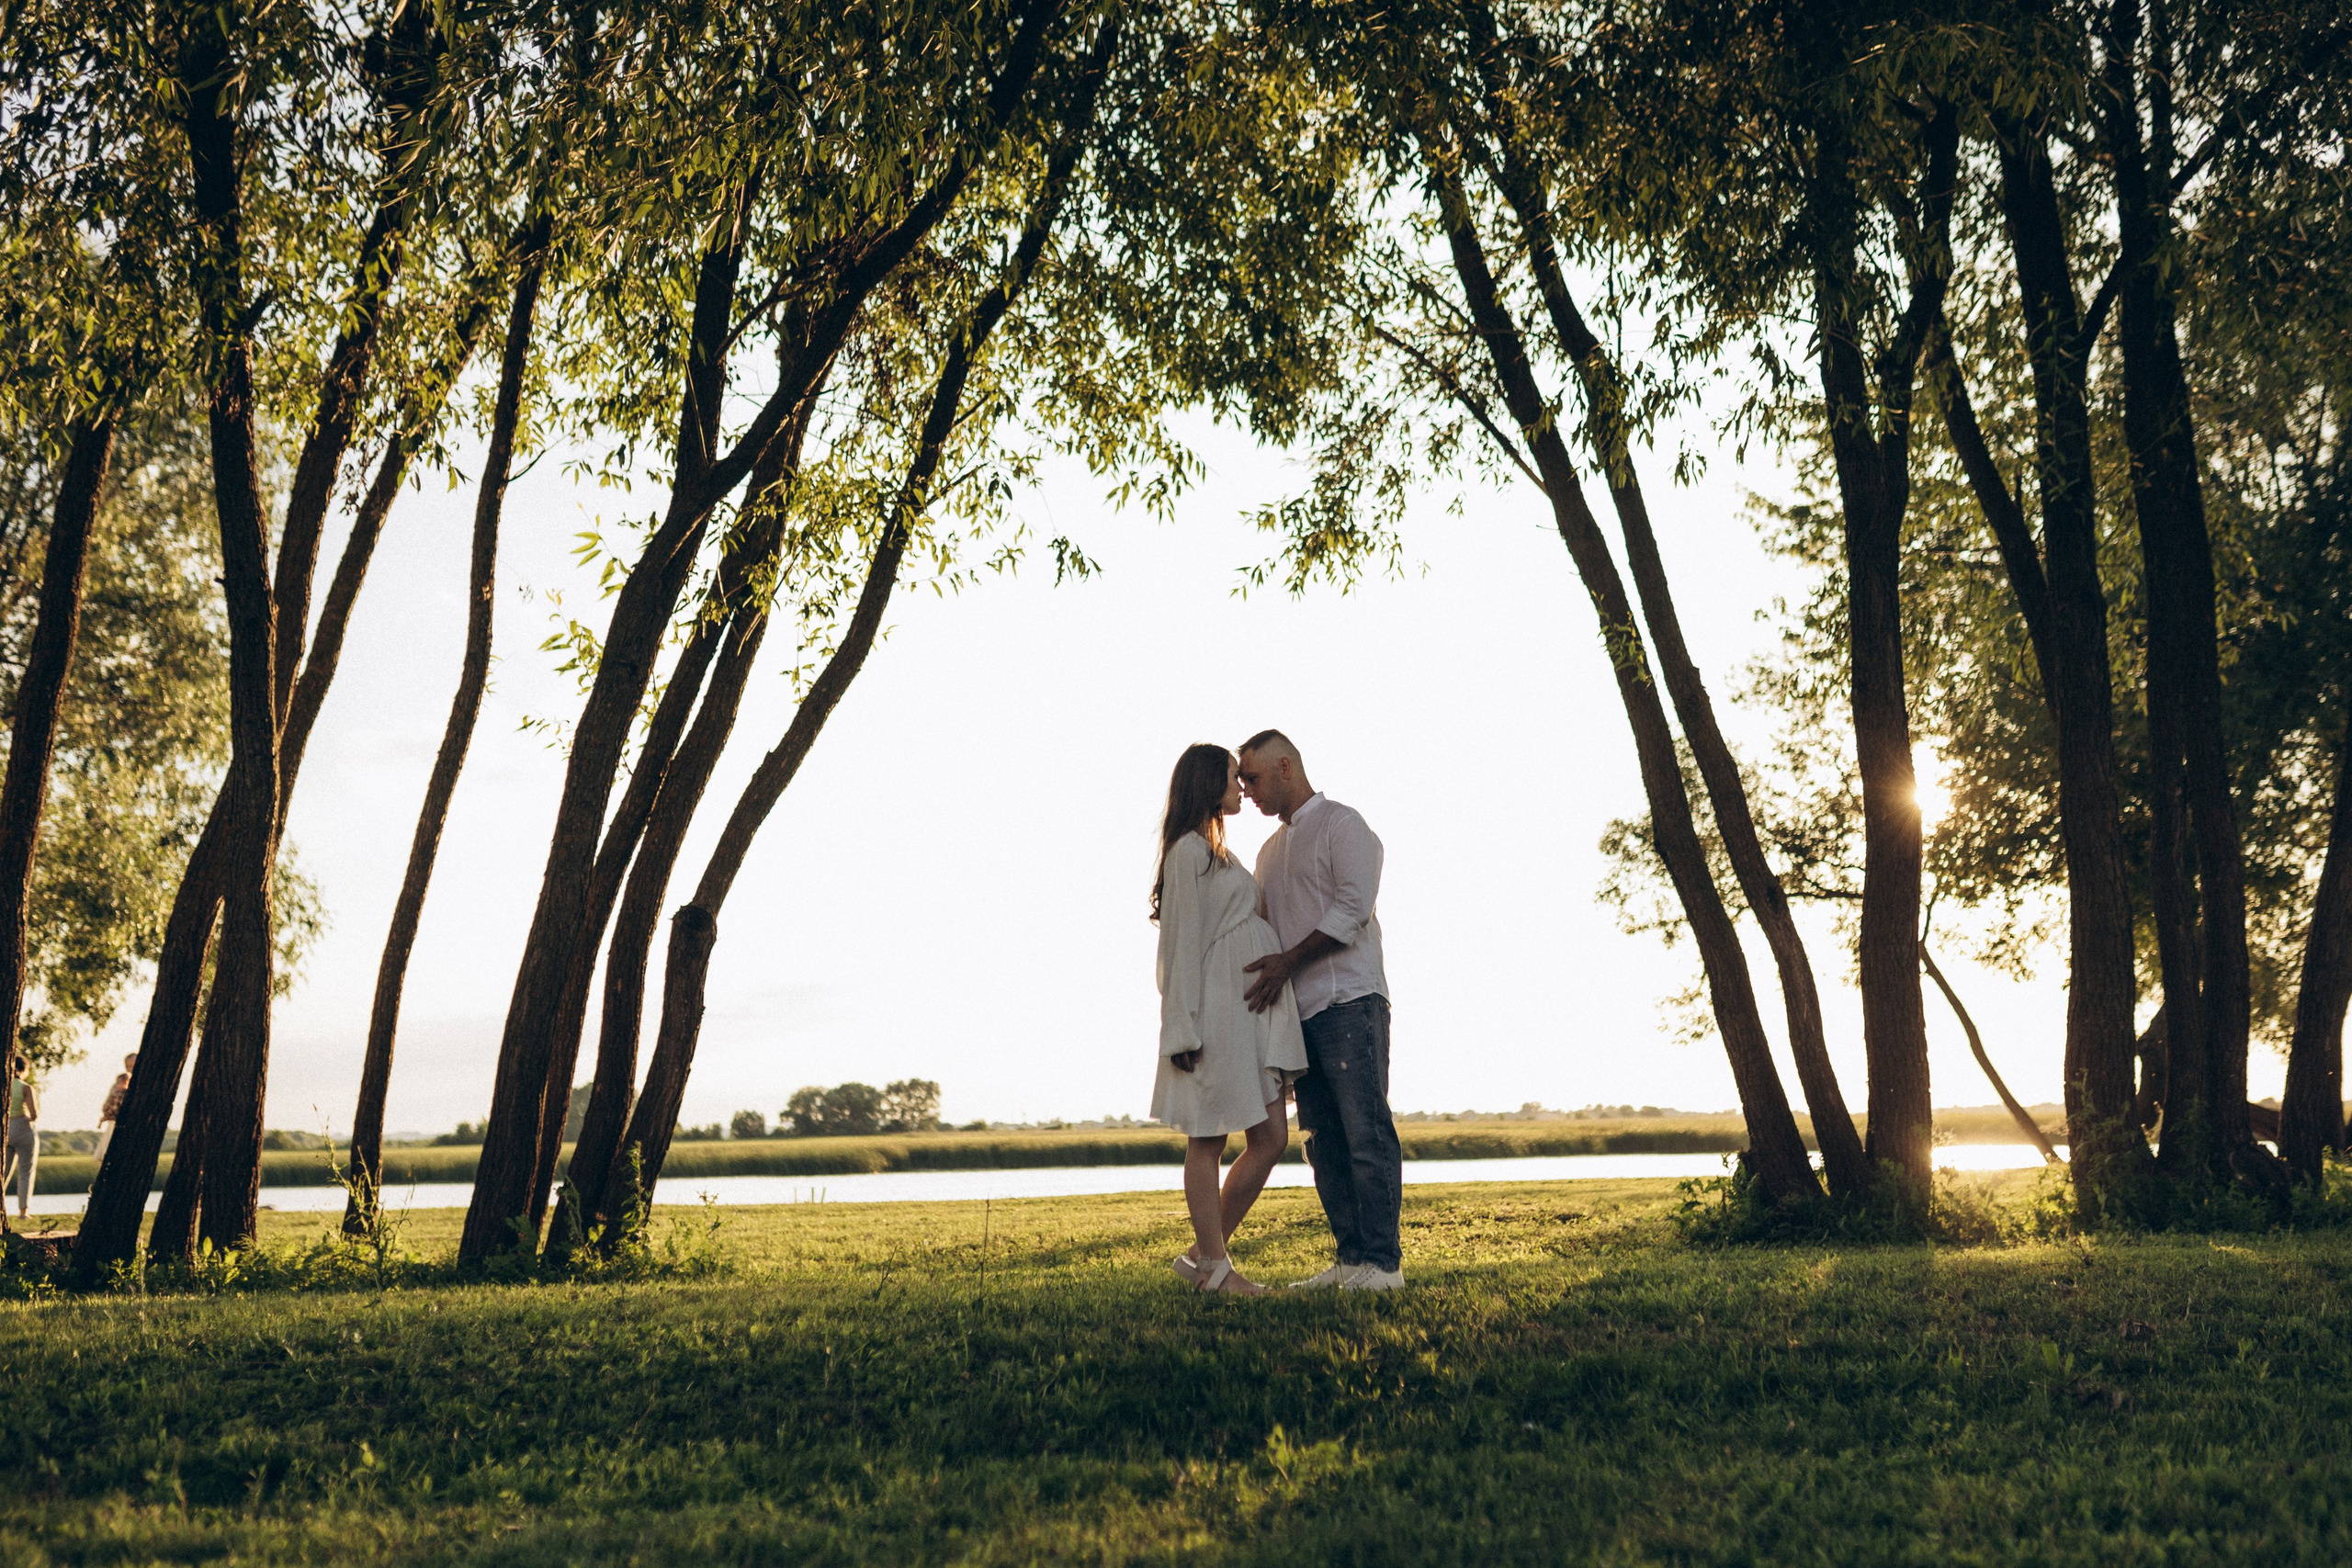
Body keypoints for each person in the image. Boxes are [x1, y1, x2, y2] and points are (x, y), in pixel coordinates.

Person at [1238, 729, 1404, 1291]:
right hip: (1298, 1017)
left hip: (1350, 1002)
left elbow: (1352, 910)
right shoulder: (1267, 853)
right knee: (1323, 1144)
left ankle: (1384, 1265)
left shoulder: (1343, 824)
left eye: (1252, 778)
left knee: (1366, 1134)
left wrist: (1286, 962)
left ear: (1285, 766)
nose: (1246, 790)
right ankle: (1351, 1260)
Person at [1151, 742, 1308, 1294]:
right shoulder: (1187, 854)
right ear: (1205, 783)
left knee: (1270, 1137)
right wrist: (1182, 1031)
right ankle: (1217, 1270)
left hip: (1247, 1010)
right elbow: (1178, 948)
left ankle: (1202, 1256)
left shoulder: (1219, 852)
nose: (1241, 787)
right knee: (1208, 1140)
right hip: (1217, 1010)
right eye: (1231, 778)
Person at [4, 1051, 38, 1220]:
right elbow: (34, 1114)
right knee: (25, 1171)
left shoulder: (4, 1086)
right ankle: (23, 1212)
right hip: (22, 1128)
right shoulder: (25, 1087)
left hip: (5, 1129)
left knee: (3, 1172)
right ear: (23, 1070)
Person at [94, 1052, 135, 1168]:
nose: (130, 1069)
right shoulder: (119, 1084)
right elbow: (108, 1103)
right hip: (114, 1123)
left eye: (132, 1066)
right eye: (128, 1066)